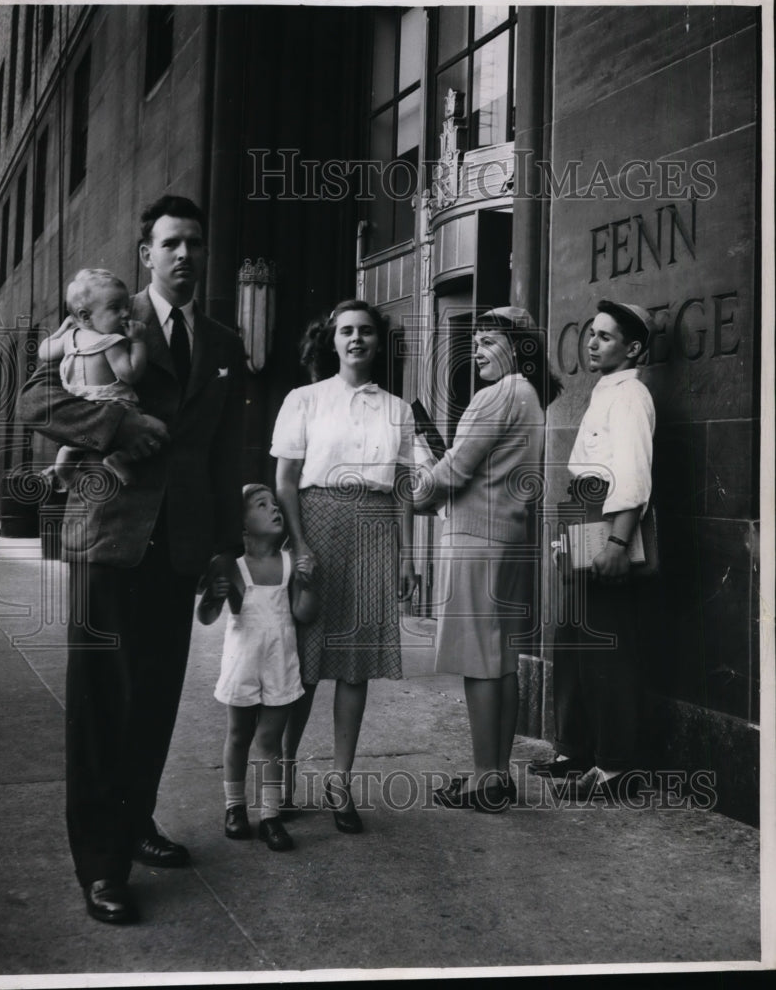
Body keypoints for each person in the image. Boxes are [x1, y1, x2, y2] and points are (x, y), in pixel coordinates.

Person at [18, 195, 244, 924]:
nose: (185, 255)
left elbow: (221, 452)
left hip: (178, 547)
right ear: (145, 252)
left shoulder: (221, 341)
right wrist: (117, 422)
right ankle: (101, 865)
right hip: (109, 536)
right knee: (99, 706)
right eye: (171, 242)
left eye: (196, 243)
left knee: (152, 700)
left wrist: (223, 549)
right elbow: (32, 399)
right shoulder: (104, 315)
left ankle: (134, 820)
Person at [271, 299, 416, 834]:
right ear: (331, 340)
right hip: (318, 522)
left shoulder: (397, 408)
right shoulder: (304, 400)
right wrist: (300, 544)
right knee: (306, 663)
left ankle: (340, 783)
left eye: (366, 332)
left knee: (354, 665)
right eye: (346, 332)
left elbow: (402, 487)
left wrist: (402, 556)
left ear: (379, 342)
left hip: (375, 529)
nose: (356, 339)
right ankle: (282, 777)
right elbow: (286, 482)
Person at [415, 307, 561, 813]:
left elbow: (453, 473)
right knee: (500, 662)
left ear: (516, 346)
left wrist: (416, 481)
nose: (475, 349)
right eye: (474, 340)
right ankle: (497, 776)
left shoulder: (495, 395)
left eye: (487, 340)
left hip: (475, 540)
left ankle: (483, 779)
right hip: (509, 539)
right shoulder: (529, 395)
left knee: (480, 662)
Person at [529, 300, 655, 800]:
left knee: (606, 640)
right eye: (591, 334)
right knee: (573, 636)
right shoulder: (606, 390)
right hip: (584, 511)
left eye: (605, 336)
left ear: (633, 347)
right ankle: (575, 750)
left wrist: (619, 541)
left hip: (608, 516)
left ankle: (615, 765)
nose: (593, 342)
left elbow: (633, 474)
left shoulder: (632, 396)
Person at [197, 484, 318, 852]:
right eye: (261, 505)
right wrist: (213, 597)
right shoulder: (228, 566)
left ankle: (269, 815)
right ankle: (234, 807)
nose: (274, 508)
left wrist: (310, 585)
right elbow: (206, 616)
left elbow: (303, 614)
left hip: (281, 662)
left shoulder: (289, 562)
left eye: (274, 503)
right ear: (243, 525)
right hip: (243, 663)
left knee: (269, 742)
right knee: (238, 736)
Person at [37, 268, 149, 486]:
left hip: (81, 419)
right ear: (85, 317)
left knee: (69, 451)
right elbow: (131, 374)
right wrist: (138, 342)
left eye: (127, 307)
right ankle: (119, 458)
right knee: (157, 433)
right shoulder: (111, 342)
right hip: (113, 412)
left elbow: (43, 352)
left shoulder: (69, 339)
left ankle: (64, 471)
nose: (126, 314)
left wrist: (61, 330)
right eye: (115, 308)